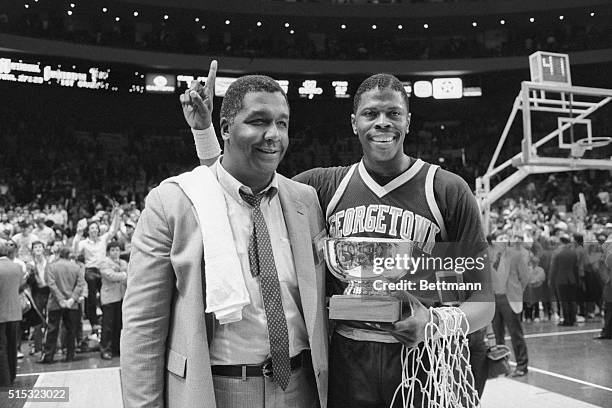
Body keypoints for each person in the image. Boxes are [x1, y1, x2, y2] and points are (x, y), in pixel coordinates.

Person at [186, 68, 492, 407]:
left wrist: (433, 323)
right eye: (370, 114)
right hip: (346, 358)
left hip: (421, 359)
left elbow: (484, 303)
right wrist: (204, 132)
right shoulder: (322, 187)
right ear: (354, 123)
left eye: (393, 114)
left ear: (408, 121)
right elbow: (238, 186)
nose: (382, 123)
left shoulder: (447, 190)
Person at [122, 70, 328, 408]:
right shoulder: (174, 202)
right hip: (216, 390)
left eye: (282, 123)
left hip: (300, 388)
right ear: (226, 129)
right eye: (258, 121)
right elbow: (143, 329)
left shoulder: (305, 200)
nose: (272, 134)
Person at [72, 207, 120, 338]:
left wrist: (116, 215)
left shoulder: (103, 240)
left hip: (103, 270)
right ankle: (93, 321)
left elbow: (113, 230)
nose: (94, 230)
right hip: (91, 270)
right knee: (91, 294)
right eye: (91, 228)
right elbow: (75, 252)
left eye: (96, 228)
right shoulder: (83, 242)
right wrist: (78, 234)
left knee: (106, 295)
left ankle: (105, 317)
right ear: (88, 230)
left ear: (98, 230)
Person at [38, 246, 85, 363]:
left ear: (58, 254)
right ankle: (70, 355)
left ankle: (49, 356)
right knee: (71, 330)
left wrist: (60, 300)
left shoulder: (51, 267)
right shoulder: (76, 267)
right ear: (69, 255)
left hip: (55, 303)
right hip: (71, 304)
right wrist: (72, 299)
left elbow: (51, 284)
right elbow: (80, 285)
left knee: (52, 329)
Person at [491, 235, 530, 377]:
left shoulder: (516, 255)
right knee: (497, 335)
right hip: (495, 298)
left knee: (516, 334)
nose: (497, 244)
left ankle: (522, 366)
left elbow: (525, 277)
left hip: (509, 298)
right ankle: (501, 366)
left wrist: (518, 291)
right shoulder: (493, 256)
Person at [0, 239, 23, 386]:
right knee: (12, 346)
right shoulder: (17, 267)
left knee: (1, 347)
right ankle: (12, 376)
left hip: (1, 313)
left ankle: (4, 380)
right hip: (15, 311)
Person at [99, 241, 127, 360]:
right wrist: (123, 274)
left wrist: (122, 274)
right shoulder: (104, 262)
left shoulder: (123, 262)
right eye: (113, 250)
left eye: (117, 250)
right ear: (108, 252)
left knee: (119, 325)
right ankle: (105, 349)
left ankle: (116, 349)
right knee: (108, 326)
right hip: (109, 298)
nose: (115, 252)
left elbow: (130, 274)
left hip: (121, 297)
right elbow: (110, 276)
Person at [550, 234, 580, 326]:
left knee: (564, 300)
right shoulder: (573, 253)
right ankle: (573, 318)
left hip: (560, 279)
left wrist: (551, 280)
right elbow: (576, 268)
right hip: (572, 279)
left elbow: (553, 269)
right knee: (572, 300)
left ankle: (567, 320)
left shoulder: (557, 253)